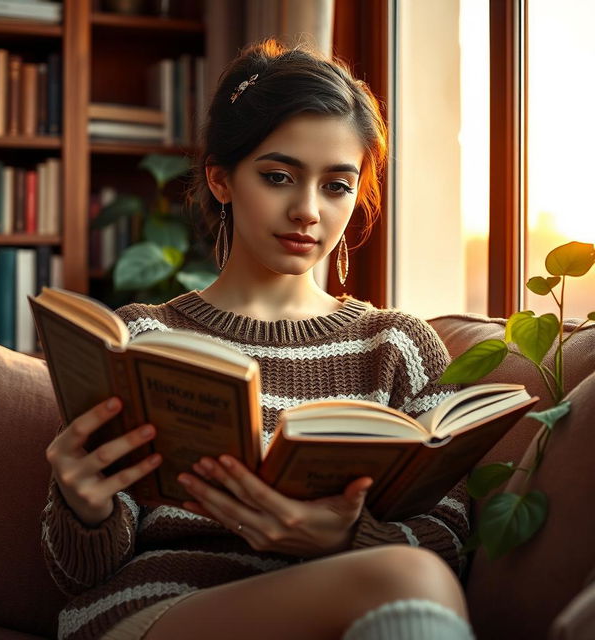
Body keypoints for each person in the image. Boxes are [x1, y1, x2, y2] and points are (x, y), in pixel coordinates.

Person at [42, 40, 474, 640]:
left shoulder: (397, 345)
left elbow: (450, 540)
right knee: (409, 581)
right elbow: (78, 574)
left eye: (336, 186)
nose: (307, 210)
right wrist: (83, 507)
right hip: (155, 614)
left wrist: (344, 538)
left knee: (413, 580)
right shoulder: (146, 336)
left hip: (348, 615)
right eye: (278, 177)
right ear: (220, 179)